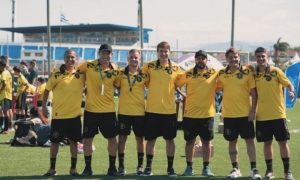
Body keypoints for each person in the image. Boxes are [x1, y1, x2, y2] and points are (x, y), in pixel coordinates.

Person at [217, 48, 261, 179]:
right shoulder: (221, 73)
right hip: (229, 115)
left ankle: (254, 169)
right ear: (227, 59)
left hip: (245, 114)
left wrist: (253, 111)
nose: (233, 59)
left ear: (239, 58)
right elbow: (214, 87)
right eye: (230, 57)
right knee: (232, 141)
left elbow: (254, 93)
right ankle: (235, 169)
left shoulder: (248, 71)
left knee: (249, 141)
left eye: (235, 57)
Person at [141, 41, 182, 177]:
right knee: (151, 140)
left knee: (170, 140)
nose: (164, 53)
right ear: (157, 52)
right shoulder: (149, 66)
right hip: (152, 110)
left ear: (169, 52)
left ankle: (170, 169)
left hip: (169, 111)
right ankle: (148, 167)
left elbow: (179, 84)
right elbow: (144, 83)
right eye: (161, 51)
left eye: (166, 51)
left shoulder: (176, 68)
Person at [78, 44, 119, 176]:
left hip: (109, 111)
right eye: (103, 53)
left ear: (111, 55)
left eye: (108, 53)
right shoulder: (88, 65)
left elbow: (119, 86)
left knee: (112, 139)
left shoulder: (115, 69)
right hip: (91, 110)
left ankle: (112, 167)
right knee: (88, 140)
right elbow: (75, 72)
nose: (106, 56)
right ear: (99, 53)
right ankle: (88, 168)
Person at [42, 49, 85, 176]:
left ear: (76, 59)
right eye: (68, 57)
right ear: (64, 58)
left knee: (74, 142)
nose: (70, 59)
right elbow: (46, 90)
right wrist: (44, 106)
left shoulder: (81, 74)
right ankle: (52, 169)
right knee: (55, 143)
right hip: (58, 116)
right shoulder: (56, 74)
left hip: (75, 116)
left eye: (72, 57)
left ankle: (73, 169)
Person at [254, 47, 294, 180]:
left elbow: (288, 84)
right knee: (267, 144)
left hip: (278, 115)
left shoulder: (276, 71)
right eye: (258, 57)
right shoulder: (254, 74)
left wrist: (291, 91)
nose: (261, 59)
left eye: (263, 56)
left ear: (266, 57)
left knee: (283, 143)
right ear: (256, 58)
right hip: (262, 116)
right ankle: (269, 171)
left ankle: (288, 172)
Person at [176, 50, 217, 177]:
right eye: (198, 58)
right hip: (190, 115)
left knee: (206, 142)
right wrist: (184, 95)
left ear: (206, 60)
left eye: (203, 58)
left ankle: (206, 168)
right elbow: (176, 84)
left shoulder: (214, 73)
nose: (201, 60)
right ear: (195, 60)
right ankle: (189, 167)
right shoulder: (188, 73)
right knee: (190, 142)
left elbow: (221, 86)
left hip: (207, 114)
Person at [115, 49, 148, 176]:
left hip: (139, 112)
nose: (134, 59)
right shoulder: (120, 73)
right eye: (132, 57)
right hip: (124, 112)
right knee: (122, 138)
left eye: (136, 58)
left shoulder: (144, 74)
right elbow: (115, 85)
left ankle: (140, 166)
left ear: (139, 59)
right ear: (127, 59)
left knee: (140, 139)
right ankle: (121, 167)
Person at [0, 61, 13, 134]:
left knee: (5, 112)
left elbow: (4, 83)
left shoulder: (4, 73)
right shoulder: (8, 72)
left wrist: (0, 90)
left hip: (4, 94)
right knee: (6, 111)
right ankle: (7, 128)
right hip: (8, 95)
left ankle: (6, 129)